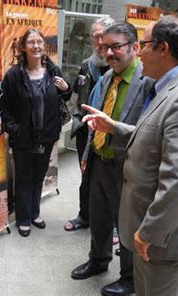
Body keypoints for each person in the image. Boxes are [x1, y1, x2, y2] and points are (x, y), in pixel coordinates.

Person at [82, 16, 178, 295]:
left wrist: (149, 233)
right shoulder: (169, 86)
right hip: (156, 234)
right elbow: (156, 137)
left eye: (143, 44)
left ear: (163, 48)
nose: (138, 51)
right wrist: (115, 128)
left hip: (166, 239)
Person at [70, 22, 154, 296]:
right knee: (99, 217)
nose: (108, 53)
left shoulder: (148, 82)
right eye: (104, 47)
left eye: (115, 46)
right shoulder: (106, 78)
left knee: (128, 224)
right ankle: (98, 261)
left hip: (128, 167)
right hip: (99, 161)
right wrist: (86, 155)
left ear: (135, 47)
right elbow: (96, 120)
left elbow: (150, 133)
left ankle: (129, 278)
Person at [0, 28, 71, 237]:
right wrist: (15, 130)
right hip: (23, 138)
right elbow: (4, 109)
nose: (36, 46)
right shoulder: (13, 75)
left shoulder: (53, 70)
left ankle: (34, 213)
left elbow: (65, 97)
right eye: (31, 42)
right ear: (23, 47)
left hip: (47, 136)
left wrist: (66, 89)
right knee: (23, 178)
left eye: (39, 41)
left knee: (39, 176)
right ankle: (23, 218)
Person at [64, 15, 115, 232]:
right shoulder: (87, 65)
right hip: (87, 131)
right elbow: (76, 94)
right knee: (86, 176)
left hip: (112, 131)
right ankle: (84, 216)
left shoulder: (118, 65)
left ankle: (113, 224)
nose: (99, 42)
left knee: (111, 179)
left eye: (103, 36)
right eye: (95, 37)